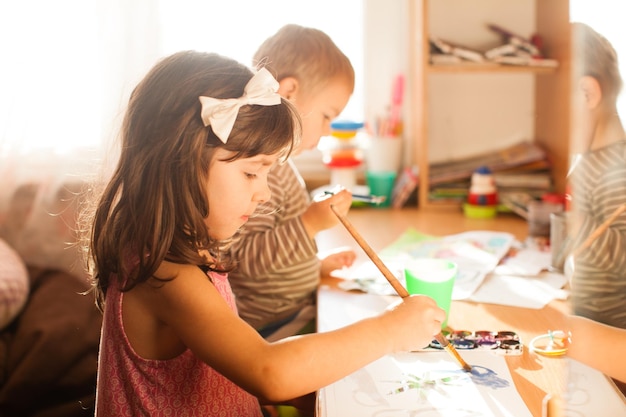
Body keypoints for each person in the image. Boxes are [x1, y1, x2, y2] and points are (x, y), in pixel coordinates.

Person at [84, 50, 445, 417]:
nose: (265, 193)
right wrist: (390, 329)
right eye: (251, 173)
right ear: (181, 164)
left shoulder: (193, 252)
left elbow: (221, 376)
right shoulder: (162, 273)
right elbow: (269, 371)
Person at [227, 24, 358, 341]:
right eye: (327, 116)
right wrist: (310, 223)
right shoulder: (259, 170)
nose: (327, 130)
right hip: (269, 328)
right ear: (288, 93)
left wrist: (315, 267)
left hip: (293, 309)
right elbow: (243, 260)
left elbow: (277, 249)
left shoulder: (280, 163)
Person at [565, 22, 626, 329]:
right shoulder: (590, 160)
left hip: (609, 337)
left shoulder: (617, 169)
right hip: (583, 315)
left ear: (587, 93)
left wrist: (576, 219)